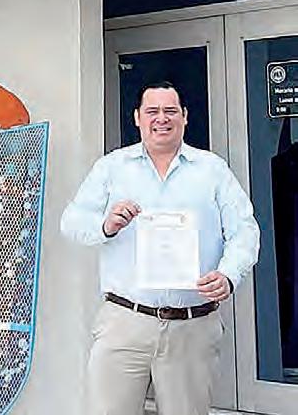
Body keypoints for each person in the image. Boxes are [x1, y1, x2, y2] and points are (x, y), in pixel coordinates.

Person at [60, 81, 260, 415]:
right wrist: (106, 226)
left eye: (170, 111)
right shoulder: (112, 167)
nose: (161, 119)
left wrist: (228, 274)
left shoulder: (212, 170)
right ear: (137, 117)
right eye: (152, 111)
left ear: (185, 116)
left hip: (191, 327)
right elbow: (71, 222)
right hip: (124, 323)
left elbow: (245, 231)